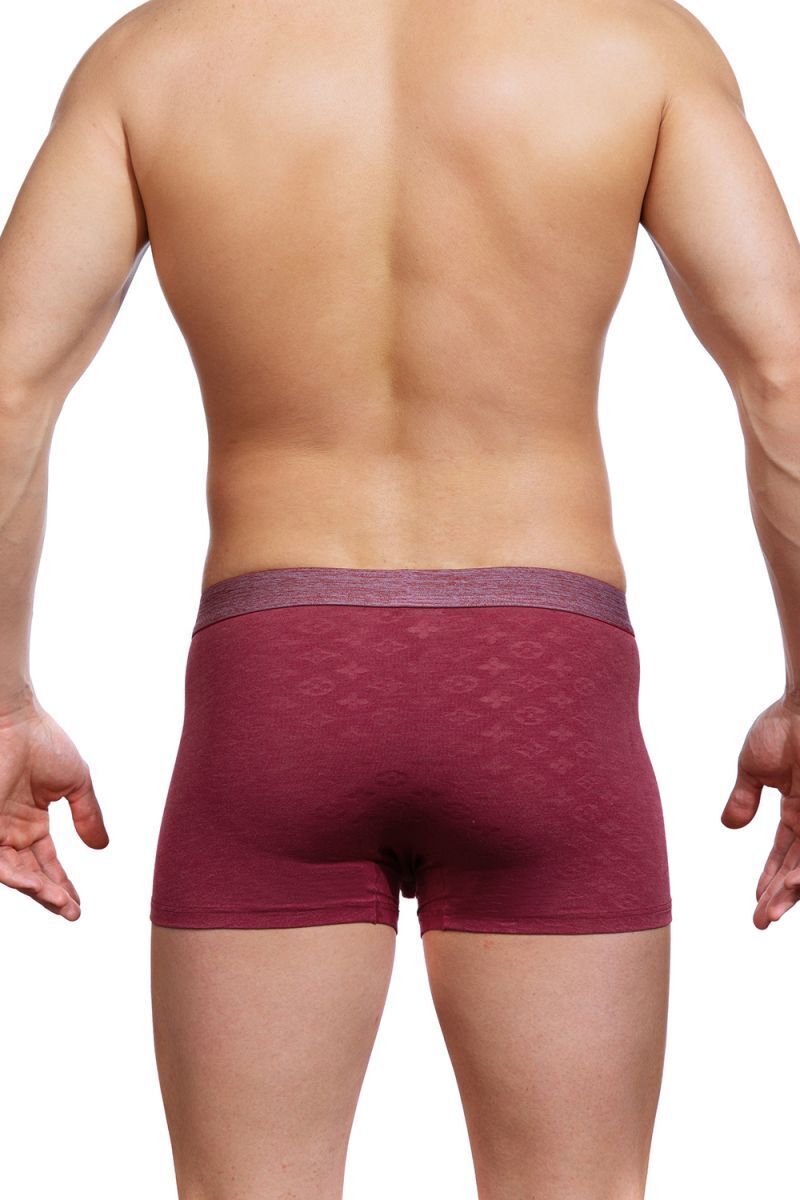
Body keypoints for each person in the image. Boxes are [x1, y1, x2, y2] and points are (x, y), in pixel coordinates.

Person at [1, 0, 799, 1196]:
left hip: (274, 682)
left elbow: (8, 390)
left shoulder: (152, 57)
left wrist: (2, 702)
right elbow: (782, 374)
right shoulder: (635, 45)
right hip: (542, 683)